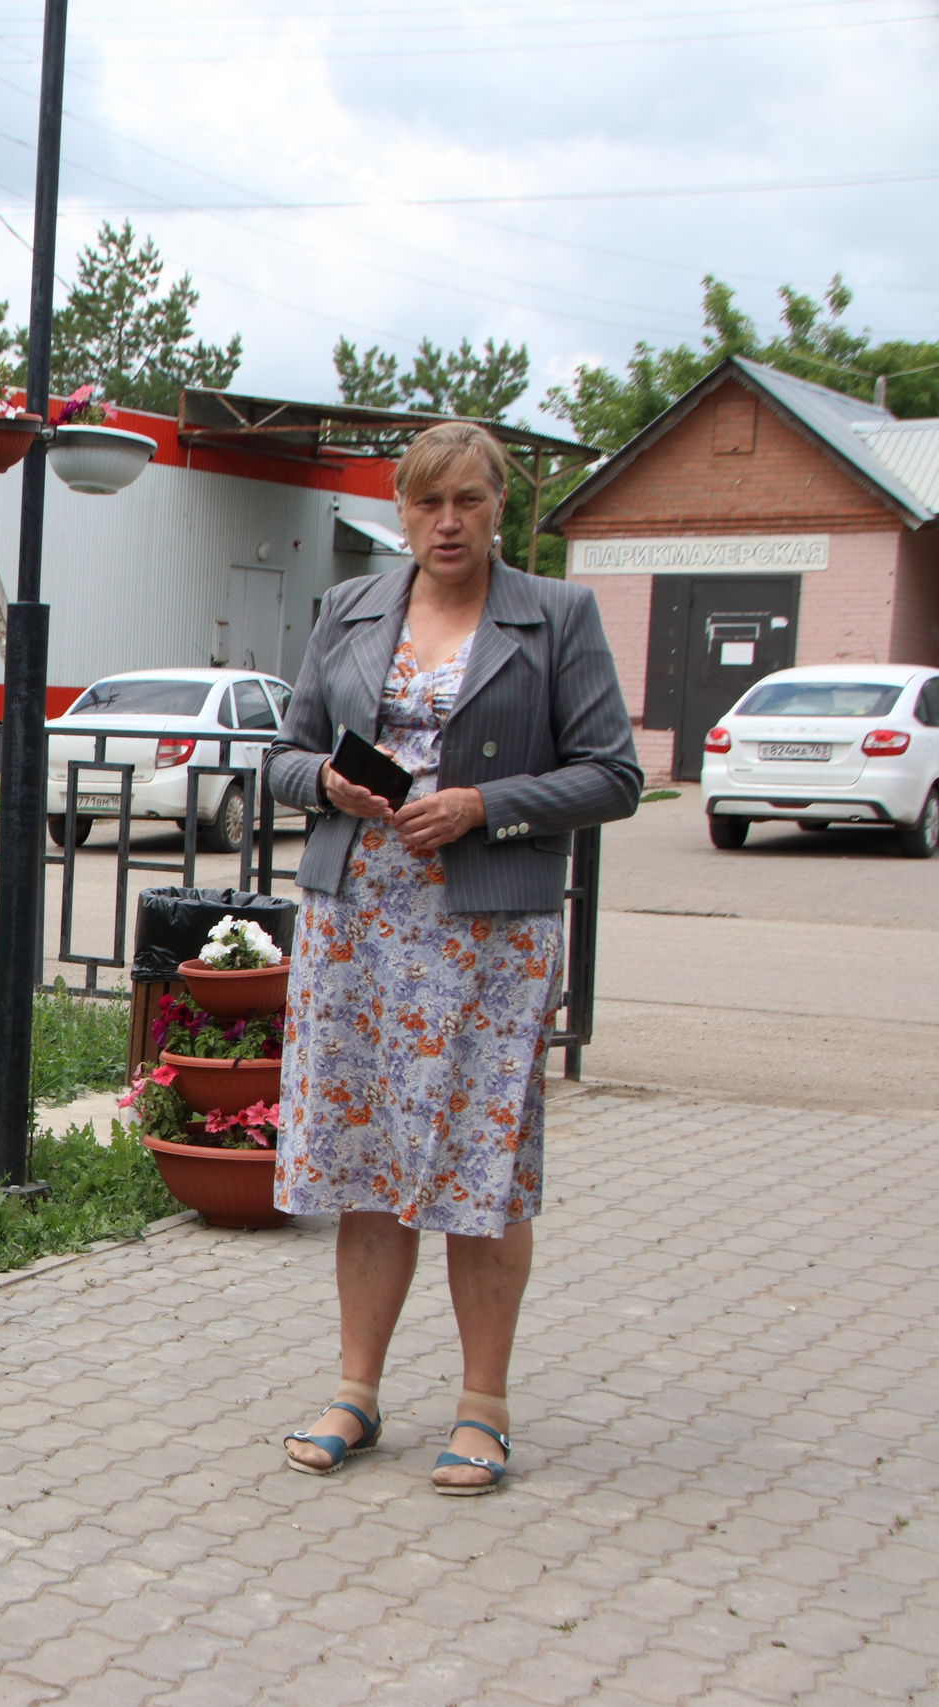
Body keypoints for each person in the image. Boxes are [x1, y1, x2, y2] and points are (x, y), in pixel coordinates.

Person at [265, 422, 640, 1495]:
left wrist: (486, 806)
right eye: (427, 503)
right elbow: (286, 753)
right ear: (399, 507)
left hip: (487, 935)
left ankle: (483, 1408)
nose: (445, 523)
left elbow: (612, 775)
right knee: (367, 1160)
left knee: (481, 1170)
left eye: (467, 502)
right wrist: (322, 787)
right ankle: (356, 1392)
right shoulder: (348, 608)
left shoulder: (555, 613)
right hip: (357, 926)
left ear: (496, 508)